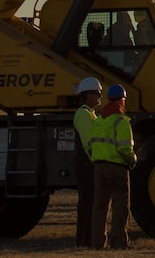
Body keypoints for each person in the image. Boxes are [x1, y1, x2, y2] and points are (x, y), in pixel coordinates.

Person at [88, 84, 136, 250]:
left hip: (99, 168)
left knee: (99, 207)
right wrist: (133, 160)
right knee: (120, 205)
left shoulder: (99, 121)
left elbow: (91, 145)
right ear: (122, 100)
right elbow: (124, 149)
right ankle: (118, 242)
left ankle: (97, 243)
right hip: (117, 167)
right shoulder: (121, 122)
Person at [72, 77, 104, 247]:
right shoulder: (84, 115)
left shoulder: (90, 114)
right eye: (97, 93)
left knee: (90, 201)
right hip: (86, 164)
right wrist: (96, 161)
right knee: (87, 202)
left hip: (88, 163)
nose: (100, 96)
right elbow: (88, 143)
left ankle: (86, 239)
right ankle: (83, 241)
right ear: (87, 95)